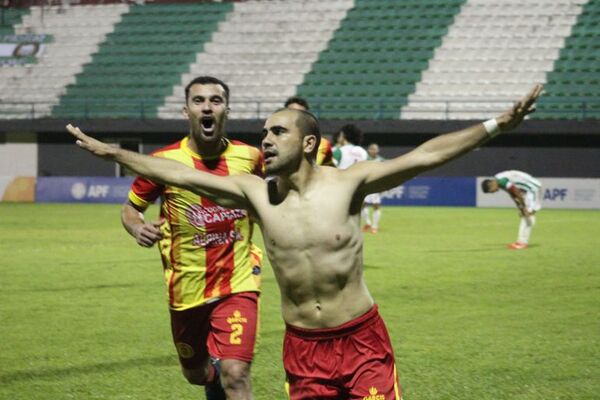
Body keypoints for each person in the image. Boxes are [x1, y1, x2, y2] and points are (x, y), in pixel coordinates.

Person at [67, 84, 543, 400]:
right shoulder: (256, 193)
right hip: (303, 348)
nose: (266, 141)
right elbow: (172, 170)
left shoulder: (349, 183)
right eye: (263, 133)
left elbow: (426, 155)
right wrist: (112, 152)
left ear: (309, 143)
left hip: (361, 340)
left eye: (277, 132)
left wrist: (498, 124)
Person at [120, 76, 264, 400]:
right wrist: (137, 227)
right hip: (186, 287)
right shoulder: (163, 162)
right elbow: (130, 209)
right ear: (186, 111)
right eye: (199, 101)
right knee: (195, 373)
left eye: (216, 100)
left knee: (237, 374)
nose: (208, 107)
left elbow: (270, 200)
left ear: (227, 109)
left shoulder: (251, 158)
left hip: (238, 281)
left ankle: (225, 377)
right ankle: (212, 379)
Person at [481, 170, 542, 249]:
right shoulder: (499, 181)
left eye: (491, 191)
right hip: (529, 190)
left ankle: (522, 243)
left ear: (491, 184)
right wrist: (520, 208)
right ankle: (521, 241)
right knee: (525, 215)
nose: (494, 192)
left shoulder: (501, 181)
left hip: (533, 189)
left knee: (527, 215)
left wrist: (523, 207)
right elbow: (512, 194)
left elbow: (516, 192)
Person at [284, 96, 334, 166]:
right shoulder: (271, 142)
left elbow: (331, 170)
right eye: (292, 112)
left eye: (302, 113)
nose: (296, 117)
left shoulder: (322, 144)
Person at [362, 143, 385, 234]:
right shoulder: (364, 159)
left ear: (378, 150)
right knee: (362, 206)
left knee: (376, 206)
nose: (373, 150)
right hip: (366, 185)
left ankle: (374, 226)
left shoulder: (381, 160)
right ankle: (368, 223)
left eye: (375, 149)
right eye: (371, 149)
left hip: (376, 185)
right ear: (368, 150)